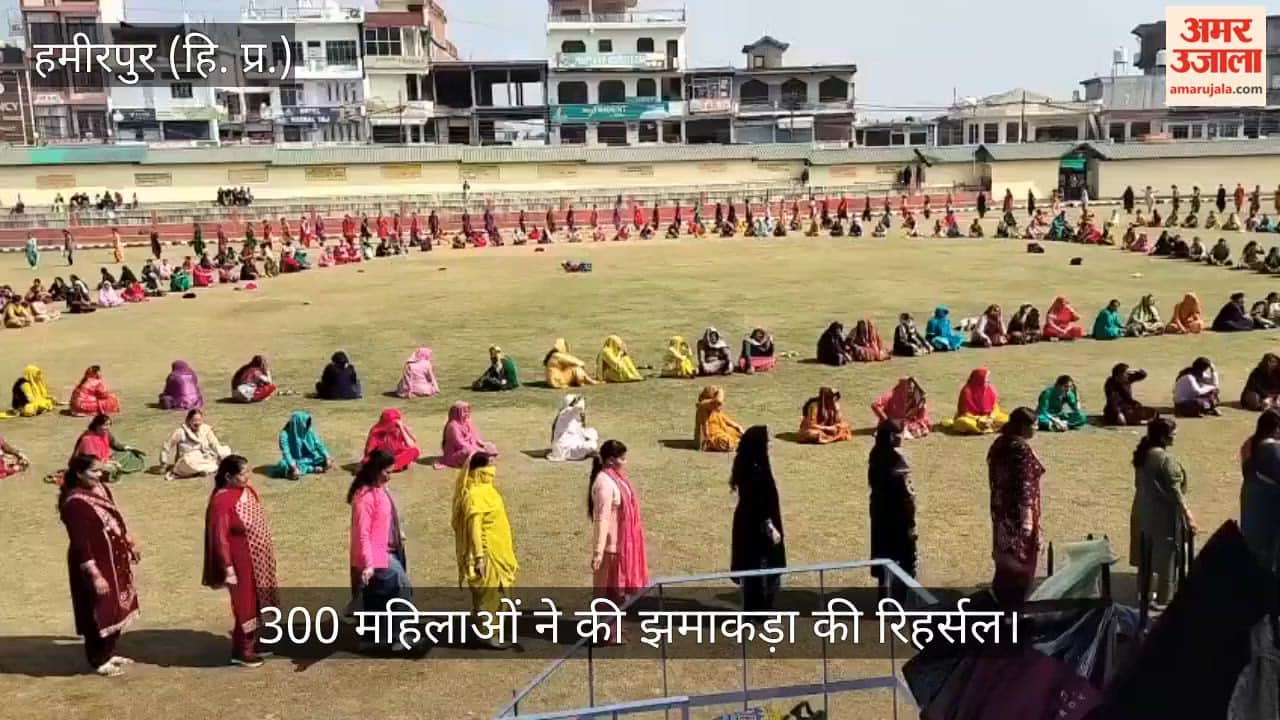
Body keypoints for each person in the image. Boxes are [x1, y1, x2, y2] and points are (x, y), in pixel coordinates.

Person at [59, 455, 140, 676]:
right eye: (94, 471)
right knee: (98, 608)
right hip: (93, 563)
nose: (99, 475)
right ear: (79, 474)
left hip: (114, 559)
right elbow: (80, 542)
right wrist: (94, 574)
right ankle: (97, 658)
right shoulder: (74, 503)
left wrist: (128, 542)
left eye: (100, 470)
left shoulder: (101, 489)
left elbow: (116, 519)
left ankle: (109, 651)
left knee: (117, 606)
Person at [203, 455, 278, 667]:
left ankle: (250, 642)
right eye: (242, 473)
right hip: (240, 562)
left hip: (259, 559)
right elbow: (219, 536)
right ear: (228, 476)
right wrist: (228, 567)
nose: (247, 477)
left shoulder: (247, 491)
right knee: (245, 603)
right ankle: (243, 651)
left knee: (257, 600)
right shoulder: (222, 501)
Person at [347, 450, 414, 652]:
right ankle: (399, 635)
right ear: (377, 470)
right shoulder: (364, 498)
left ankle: (372, 637)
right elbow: (363, 533)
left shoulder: (380, 488)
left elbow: (384, 517)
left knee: (377, 596)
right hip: (376, 554)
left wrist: (395, 531)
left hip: (389, 548)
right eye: (387, 471)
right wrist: (368, 564)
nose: (390, 475)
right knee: (402, 587)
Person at [451, 453, 517, 641]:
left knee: (499, 593)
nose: (493, 470)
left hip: (499, 549)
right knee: (489, 595)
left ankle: (487, 627)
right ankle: (488, 634)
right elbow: (474, 529)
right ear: (478, 470)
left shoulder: (488, 490)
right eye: (490, 466)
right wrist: (480, 557)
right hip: (487, 554)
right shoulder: (474, 496)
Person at [1129, 418, 1194, 608]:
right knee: (1167, 555)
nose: (1175, 437)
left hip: (1142, 510)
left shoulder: (1143, 456)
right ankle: (1165, 600)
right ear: (1163, 436)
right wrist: (1188, 516)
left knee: (1145, 554)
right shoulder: (1166, 460)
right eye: (1172, 434)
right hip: (1163, 516)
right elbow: (1176, 493)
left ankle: (1144, 593)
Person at [987, 407, 1044, 607]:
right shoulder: (1020, 449)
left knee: (1005, 553)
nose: (1036, 428)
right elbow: (1024, 486)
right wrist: (1027, 519)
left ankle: (1001, 595)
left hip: (1002, 510)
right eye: (1033, 425)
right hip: (1019, 514)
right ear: (1023, 426)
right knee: (1021, 557)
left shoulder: (1000, 443)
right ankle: (1015, 603)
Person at [729, 426, 787, 610]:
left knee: (753, 568)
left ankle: (755, 609)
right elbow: (759, 500)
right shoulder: (756, 469)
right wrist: (770, 526)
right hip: (758, 524)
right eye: (766, 442)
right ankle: (761, 611)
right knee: (765, 569)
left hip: (748, 522)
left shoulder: (750, 463)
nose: (769, 445)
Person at [589, 440, 649, 608]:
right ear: (610, 460)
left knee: (618, 595)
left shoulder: (618, 479)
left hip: (621, 547)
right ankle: (605, 631)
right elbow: (602, 519)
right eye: (622, 459)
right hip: (610, 549)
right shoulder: (604, 484)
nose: (625, 462)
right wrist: (598, 552)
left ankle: (613, 630)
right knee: (608, 595)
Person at [868, 419, 917, 592]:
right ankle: (901, 600)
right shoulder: (897, 459)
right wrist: (911, 523)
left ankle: (884, 596)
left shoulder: (875, 455)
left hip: (879, 514)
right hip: (898, 516)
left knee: (883, 557)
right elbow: (907, 496)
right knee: (904, 558)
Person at [1241, 410, 1280, 574]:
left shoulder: (1249, 444)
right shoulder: (1274, 451)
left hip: (1251, 503)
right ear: (1276, 428)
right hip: (1270, 509)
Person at [161, 409, 230, 480]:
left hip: (205, 458)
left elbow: (214, 444)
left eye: (199, 420)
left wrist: (221, 454)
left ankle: (205, 469)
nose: (197, 423)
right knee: (189, 462)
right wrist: (164, 462)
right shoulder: (180, 432)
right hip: (187, 461)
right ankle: (206, 469)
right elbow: (167, 445)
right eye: (194, 420)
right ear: (188, 420)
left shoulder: (205, 429)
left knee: (225, 451)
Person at [72, 414, 146, 480]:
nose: (107, 427)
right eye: (105, 425)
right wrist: (109, 463)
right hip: (89, 465)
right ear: (97, 425)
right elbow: (89, 460)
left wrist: (129, 448)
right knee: (110, 469)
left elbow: (115, 445)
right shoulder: (87, 438)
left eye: (109, 425)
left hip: (104, 460)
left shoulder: (106, 433)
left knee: (128, 453)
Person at [942, 368, 1010, 435]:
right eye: (986, 379)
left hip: (989, 418)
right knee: (962, 422)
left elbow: (995, 407)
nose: (988, 381)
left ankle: (988, 428)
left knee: (1009, 419)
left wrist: (991, 417)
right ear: (979, 380)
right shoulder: (967, 391)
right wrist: (979, 419)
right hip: (973, 419)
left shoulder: (989, 389)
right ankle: (982, 430)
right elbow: (965, 413)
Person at [437, 401, 498, 469]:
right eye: (464, 412)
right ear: (457, 413)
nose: (467, 414)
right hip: (457, 452)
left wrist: (481, 444)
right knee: (469, 451)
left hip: (472, 446)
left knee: (490, 446)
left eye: (468, 412)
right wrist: (476, 449)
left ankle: (483, 458)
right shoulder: (453, 426)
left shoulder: (467, 422)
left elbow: (475, 436)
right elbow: (460, 443)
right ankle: (481, 460)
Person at [273, 411, 331, 480]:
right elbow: (286, 453)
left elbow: (318, 444)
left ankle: (304, 469)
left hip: (310, 458)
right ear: (299, 424)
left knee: (323, 458)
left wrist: (327, 457)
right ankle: (311, 469)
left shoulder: (308, 430)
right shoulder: (284, 435)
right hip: (294, 460)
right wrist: (293, 468)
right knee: (282, 465)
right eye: (305, 423)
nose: (307, 426)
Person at [547, 394, 598, 463]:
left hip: (572, 442)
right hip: (565, 450)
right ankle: (585, 452)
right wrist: (581, 399)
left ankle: (585, 451)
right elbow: (579, 407)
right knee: (592, 445)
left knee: (592, 431)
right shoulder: (566, 412)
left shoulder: (572, 415)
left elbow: (579, 431)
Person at [696, 386, 744, 452]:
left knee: (738, 433)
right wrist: (720, 390)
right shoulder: (703, 405)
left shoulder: (715, 410)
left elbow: (726, 420)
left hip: (722, 431)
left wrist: (737, 426)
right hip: (712, 437)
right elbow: (718, 401)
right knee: (724, 440)